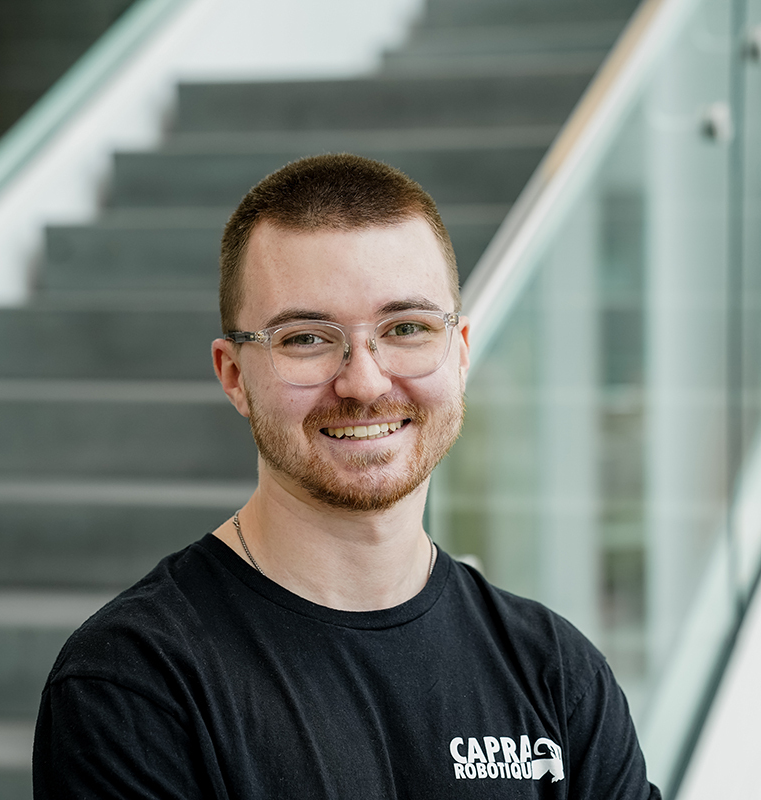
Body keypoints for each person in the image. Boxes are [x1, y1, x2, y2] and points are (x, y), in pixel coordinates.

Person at [33, 153, 661, 798]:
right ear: (233, 375)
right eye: (305, 338)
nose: (364, 381)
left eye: (407, 328)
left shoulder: (557, 673)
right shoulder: (136, 684)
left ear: (462, 350)